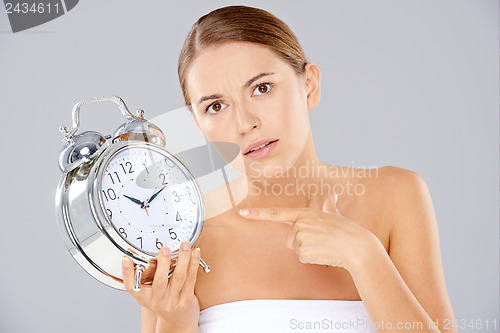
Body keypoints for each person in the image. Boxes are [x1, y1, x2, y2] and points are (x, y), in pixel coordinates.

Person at [122, 5, 457, 333]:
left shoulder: (395, 196)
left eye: (262, 88)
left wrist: (364, 256)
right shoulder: (180, 237)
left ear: (309, 85)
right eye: (216, 106)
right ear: (197, 125)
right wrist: (175, 324)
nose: (245, 124)